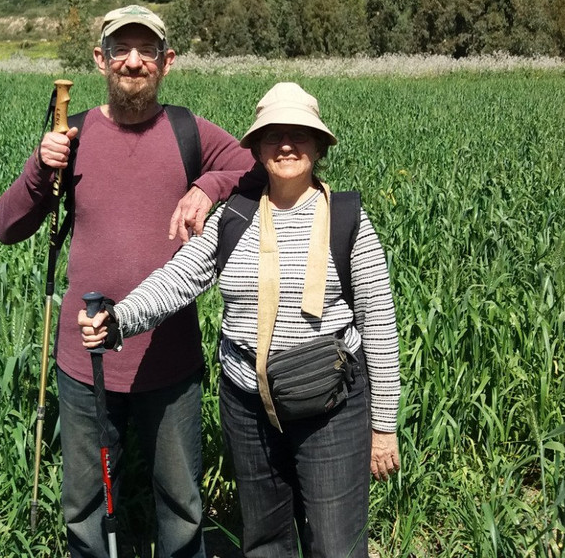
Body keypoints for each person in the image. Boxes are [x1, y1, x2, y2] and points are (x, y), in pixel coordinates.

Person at [79, 82, 402, 558]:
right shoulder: (234, 216)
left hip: (330, 405)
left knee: (336, 543)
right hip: (248, 406)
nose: (286, 145)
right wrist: (119, 317)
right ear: (255, 148)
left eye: (299, 134)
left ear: (318, 145)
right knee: (265, 541)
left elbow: (379, 323)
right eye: (273, 135)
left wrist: (384, 426)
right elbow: (179, 279)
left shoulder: (347, 220)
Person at [0, 4, 258, 558]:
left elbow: (254, 169)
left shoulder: (189, 131)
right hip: (82, 357)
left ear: (167, 62)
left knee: (183, 504)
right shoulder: (76, 133)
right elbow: (9, 225)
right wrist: (42, 169)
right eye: (121, 50)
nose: (133, 62)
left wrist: (207, 187)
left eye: (147, 52)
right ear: (100, 59)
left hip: (169, 360)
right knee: (84, 503)